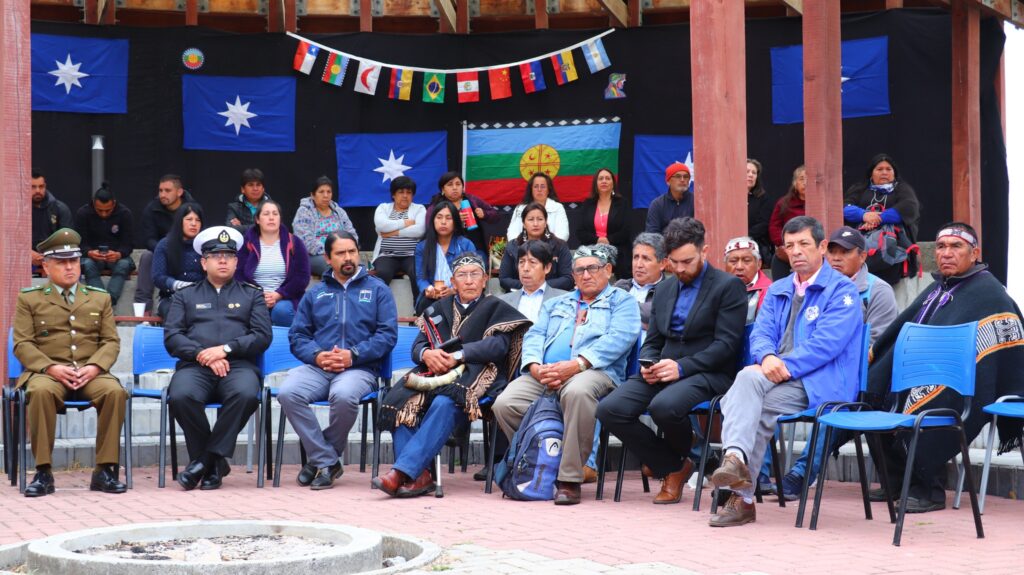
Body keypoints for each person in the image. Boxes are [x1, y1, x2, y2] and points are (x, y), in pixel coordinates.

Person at [707, 216, 862, 527]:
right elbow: (761, 333)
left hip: (822, 383)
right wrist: (766, 356)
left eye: (804, 244)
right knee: (750, 388)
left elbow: (826, 345)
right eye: (790, 246)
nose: (796, 251)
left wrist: (783, 365)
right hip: (777, 378)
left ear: (821, 247)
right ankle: (736, 464)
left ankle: (740, 492)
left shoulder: (842, 290)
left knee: (746, 400)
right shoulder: (779, 288)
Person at [866, 222, 1024, 512]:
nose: (946, 253)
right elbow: (903, 329)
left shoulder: (989, 292)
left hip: (970, 382)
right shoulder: (939, 287)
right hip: (925, 371)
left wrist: (933, 371)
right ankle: (897, 481)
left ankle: (929, 490)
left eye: (956, 246)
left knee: (923, 401)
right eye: (941, 247)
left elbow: (1001, 353)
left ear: (974, 253)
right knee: (873, 389)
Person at [597, 218, 747, 505]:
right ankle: (675, 464)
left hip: (709, 372)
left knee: (663, 406)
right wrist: (648, 363)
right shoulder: (665, 289)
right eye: (674, 262)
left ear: (705, 251)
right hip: (665, 370)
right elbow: (653, 340)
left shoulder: (728, 286)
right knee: (609, 409)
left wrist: (681, 367)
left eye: (687, 262)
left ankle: (679, 463)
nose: (679, 269)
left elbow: (726, 346)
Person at [493, 244, 641, 505]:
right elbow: (535, 335)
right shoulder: (556, 303)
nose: (586, 275)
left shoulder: (622, 301)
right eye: (579, 270)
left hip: (595, 372)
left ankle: (569, 478)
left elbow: (620, 338)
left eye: (592, 268)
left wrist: (577, 365)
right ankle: (544, 459)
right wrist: (535, 367)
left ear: (608, 270)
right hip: (547, 373)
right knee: (506, 403)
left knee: (577, 392)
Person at [375, 254, 530, 498]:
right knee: (402, 403)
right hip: (434, 372)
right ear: (453, 282)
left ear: (485, 279)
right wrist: (427, 354)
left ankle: (402, 472)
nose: (468, 280)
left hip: (478, 375)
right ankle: (420, 475)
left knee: (445, 402)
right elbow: (418, 346)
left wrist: (459, 355)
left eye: (474, 274)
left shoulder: (497, 308)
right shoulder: (437, 308)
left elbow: (498, 347)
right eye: (462, 275)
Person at [768, 225, 899, 500]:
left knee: (832, 401)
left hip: (859, 376)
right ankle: (758, 474)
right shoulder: (810, 287)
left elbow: (879, 345)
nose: (837, 258)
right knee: (761, 394)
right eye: (833, 252)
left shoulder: (877, 290)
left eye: (846, 252)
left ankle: (801, 473)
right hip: (808, 369)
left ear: (862, 256)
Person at [280, 231, 398, 490]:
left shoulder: (378, 289)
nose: (348, 258)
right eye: (341, 253)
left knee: (343, 395)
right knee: (288, 392)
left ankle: (319, 459)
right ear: (327, 258)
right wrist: (317, 355)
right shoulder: (316, 293)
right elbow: (298, 336)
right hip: (319, 367)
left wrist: (353, 355)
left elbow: (387, 335)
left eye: (352, 252)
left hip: (360, 368)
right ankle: (328, 460)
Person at [13, 229, 127, 497]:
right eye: (62, 262)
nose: (69, 267)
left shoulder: (99, 297)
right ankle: (43, 472)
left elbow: (111, 341)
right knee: (39, 391)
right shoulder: (29, 298)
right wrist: (50, 367)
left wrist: (95, 367)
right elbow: (22, 343)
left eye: (73, 261)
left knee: (114, 392)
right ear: (46, 266)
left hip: (90, 373)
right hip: (48, 373)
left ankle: (104, 470)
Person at [164, 226, 273, 491]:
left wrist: (226, 349)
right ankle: (214, 464)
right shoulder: (184, 295)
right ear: (204, 262)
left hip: (238, 365)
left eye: (228, 256)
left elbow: (262, 336)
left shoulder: (252, 294)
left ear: (236, 262)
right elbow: (173, 337)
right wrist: (203, 354)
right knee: (180, 396)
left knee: (246, 394)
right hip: (196, 366)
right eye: (215, 256)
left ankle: (205, 461)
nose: (222, 260)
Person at [843, 153, 921, 285]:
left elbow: (909, 208)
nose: (884, 172)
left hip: (893, 249)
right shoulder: (860, 189)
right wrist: (864, 215)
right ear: (871, 173)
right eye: (879, 169)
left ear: (894, 173)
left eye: (888, 169)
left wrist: (878, 218)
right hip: (862, 244)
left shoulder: (902, 189)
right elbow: (844, 208)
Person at [235, 200, 311, 327]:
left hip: (286, 298)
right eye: (266, 214)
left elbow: (302, 277)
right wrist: (258, 296)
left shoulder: (294, 242)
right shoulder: (246, 243)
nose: (271, 217)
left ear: (280, 219)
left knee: (282, 311)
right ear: (257, 220)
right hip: (253, 297)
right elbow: (238, 275)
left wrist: (279, 294)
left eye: (275, 214)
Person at [134, 174, 198, 315]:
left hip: (188, 249)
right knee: (147, 257)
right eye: (160, 190)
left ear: (179, 192)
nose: (162, 194)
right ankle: (144, 311)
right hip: (161, 250)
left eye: (167, 191)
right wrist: (164, 250)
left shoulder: (192, 208)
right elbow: (148, 239)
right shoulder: (152, 209)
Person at [413, 200, 478, 314]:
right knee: (426, 306)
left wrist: (454, 291)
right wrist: (429, 289)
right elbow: (421, 278)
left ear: (455, 222)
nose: (443, 222)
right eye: (439, 217)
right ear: (433, 221)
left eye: (448, 218)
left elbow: (473, 276)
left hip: (460, 295)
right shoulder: (422, 247)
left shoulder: (466, 245)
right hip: (432, 297)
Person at [75, 185, 135, 306]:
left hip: (117, 258)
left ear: (114, 204)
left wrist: (119, 254)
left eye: (108, 210)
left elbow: (129, 243)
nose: (103, 214)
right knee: (87, 265)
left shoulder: (124, 214)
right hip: (91, 257)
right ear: (93, 204)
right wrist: (89, 252)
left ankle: (109, 301)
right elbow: (79, 242)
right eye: (99, 210)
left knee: (124, 265)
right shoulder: (83, 213)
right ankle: (101, 299)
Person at [370, 176, 426, 301]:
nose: (405, 196)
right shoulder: (383, 208)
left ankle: (419, 309)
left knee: (417, 273)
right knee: (382, 274)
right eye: (401, 192)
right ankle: (379, 307)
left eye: (409, 192)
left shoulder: (419, 209)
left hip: (412, 255)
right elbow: (381, 226)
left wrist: (393, 232)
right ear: (393, 195)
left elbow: (420, 230)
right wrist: (406, 223)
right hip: (386, 255)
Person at [292, 176, 360, 278]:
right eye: (321, 192)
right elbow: (306, 242)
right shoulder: (304, 212)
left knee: (360, 267)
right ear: (312, 195)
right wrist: (333, 251)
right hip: (315, 255)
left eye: (329, 192)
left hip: (341, 252)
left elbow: (352, 234)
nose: (326, 195)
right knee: (335, 267)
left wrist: (346, 250)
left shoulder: (338, 211)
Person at [499, 202, 574, 292]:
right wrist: (528, 286)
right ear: (523, 223)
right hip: (520, 294)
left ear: (545, 222)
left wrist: (541, 286)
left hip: (552, 295)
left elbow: (568, 278)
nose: (535, 224)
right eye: (531, 219)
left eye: (540, 219)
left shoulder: (559, 245)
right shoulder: (513, 246)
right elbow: (504, 279)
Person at [427, 171, 497, 262]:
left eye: (458, 184)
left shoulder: (472, 200)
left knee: (478, 264)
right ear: (443, 189)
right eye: (450, 185)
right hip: (448, 249)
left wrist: (484, 214)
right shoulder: (437, 205)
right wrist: (454, 219)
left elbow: (495, 215)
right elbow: (429, 226)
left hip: (476, 247)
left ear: (463, 187)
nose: (455, 188)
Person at [151, 203, 206, 318]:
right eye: (189, 219)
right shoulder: (165, 245)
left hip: (202, 297)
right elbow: (158, 277)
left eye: (198, 220)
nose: (194, 224)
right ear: (179, 221)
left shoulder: (206, 246)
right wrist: (181, 285)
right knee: (177, 313)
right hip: (171, 298)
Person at [577, 168, 630, 278]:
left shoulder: (622, 203)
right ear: (596, 183)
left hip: (617, 248)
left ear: (613, 183)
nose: (604, 181)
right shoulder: (587, 204)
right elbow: (580, 232)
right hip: (591, 247)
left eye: (607, 178)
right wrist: (598, 240)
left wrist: (608, 240)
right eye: (601, 179)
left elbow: (626, 231)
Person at [613, 232, 668, 330]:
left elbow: (653, 313)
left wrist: (617, 308)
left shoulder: (669, 290)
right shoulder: (620, 286)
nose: (638, 265)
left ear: (663, 264)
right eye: (636, 257)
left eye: (646, 259)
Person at [30, 169, 74, 276]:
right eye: (33, 187)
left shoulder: (60, 209)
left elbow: (68, 240)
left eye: (41, 186)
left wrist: (49, 255)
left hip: (55, 257)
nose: (37, 190)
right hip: (23, 258)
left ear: (45, 186)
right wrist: (27, 253)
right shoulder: (16, 211)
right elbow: (9, 239)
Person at [767, 165, 807, 279]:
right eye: (802, 179)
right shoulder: (784, 203)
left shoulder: (822, 204)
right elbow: (774, 226)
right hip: (788, 247)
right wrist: (785, 244)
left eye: (809, 179)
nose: (805, 183)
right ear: (795, 183)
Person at [506, 173, 570, 241]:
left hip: (552, 246)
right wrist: (524, 246)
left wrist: (545, 246)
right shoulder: (520, 208)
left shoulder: (558, 207)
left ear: (548, 190)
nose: (539, 190)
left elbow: (563, 234)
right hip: (524, 247)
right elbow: (512, 233)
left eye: (543, 186)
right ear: (531, 190)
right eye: (536, 186)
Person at [724, 237, 772, 325]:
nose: (739, 267)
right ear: (725, 265)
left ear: (759, 264)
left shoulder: (769, 291)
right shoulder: (717, 289)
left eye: (746, 261)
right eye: (733, 261)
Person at [644, 162, 694, 234]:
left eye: (686, 177)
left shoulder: (696, 202)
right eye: (678, 176)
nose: (682, 180)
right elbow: (652, 234)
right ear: (668, 181)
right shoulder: (657, 204)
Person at [226, 168, 271, 233]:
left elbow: (276, 228)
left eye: (258, 185)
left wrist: (241, 227)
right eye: (251, 185)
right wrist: (261, 226)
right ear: (243, 189)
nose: (255, 188)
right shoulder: (234, 208)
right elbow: (231, 230)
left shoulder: (271, 207)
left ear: (263, 189)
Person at [746, 159, 774, 263]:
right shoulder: (729, 196)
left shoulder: (763, 198)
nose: (751, 175)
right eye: (747, 171)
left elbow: (763, 224)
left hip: (756, 246)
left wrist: (745, 236)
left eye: (754, 173)